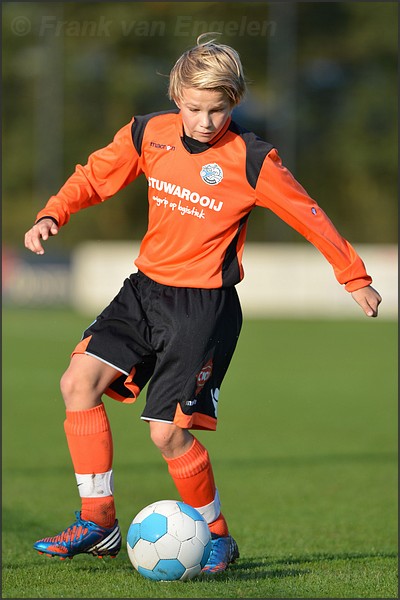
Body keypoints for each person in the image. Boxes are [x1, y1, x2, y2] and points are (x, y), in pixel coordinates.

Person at [24, 33, 382, 574]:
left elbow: (307, 213)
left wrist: (353, 276)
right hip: (143, 291)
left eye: (218, 109)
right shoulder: (149, 133)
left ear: (233, 104)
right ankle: (97, 522)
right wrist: (55, 211)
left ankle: (217, 536)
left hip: (202, 307)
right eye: (194, 108)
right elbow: (96, 175)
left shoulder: (253, 158)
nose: (205, 121)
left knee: (167, 433)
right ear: (176, 97)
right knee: (77, 382)